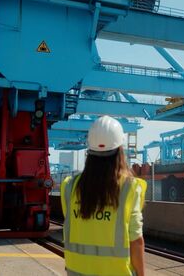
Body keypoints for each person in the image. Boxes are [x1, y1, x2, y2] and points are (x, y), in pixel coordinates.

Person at [61, 116, 146, 275]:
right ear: (120, 150)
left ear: (89, 150)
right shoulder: (129, 188)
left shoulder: (69, 187)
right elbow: (136, 241)